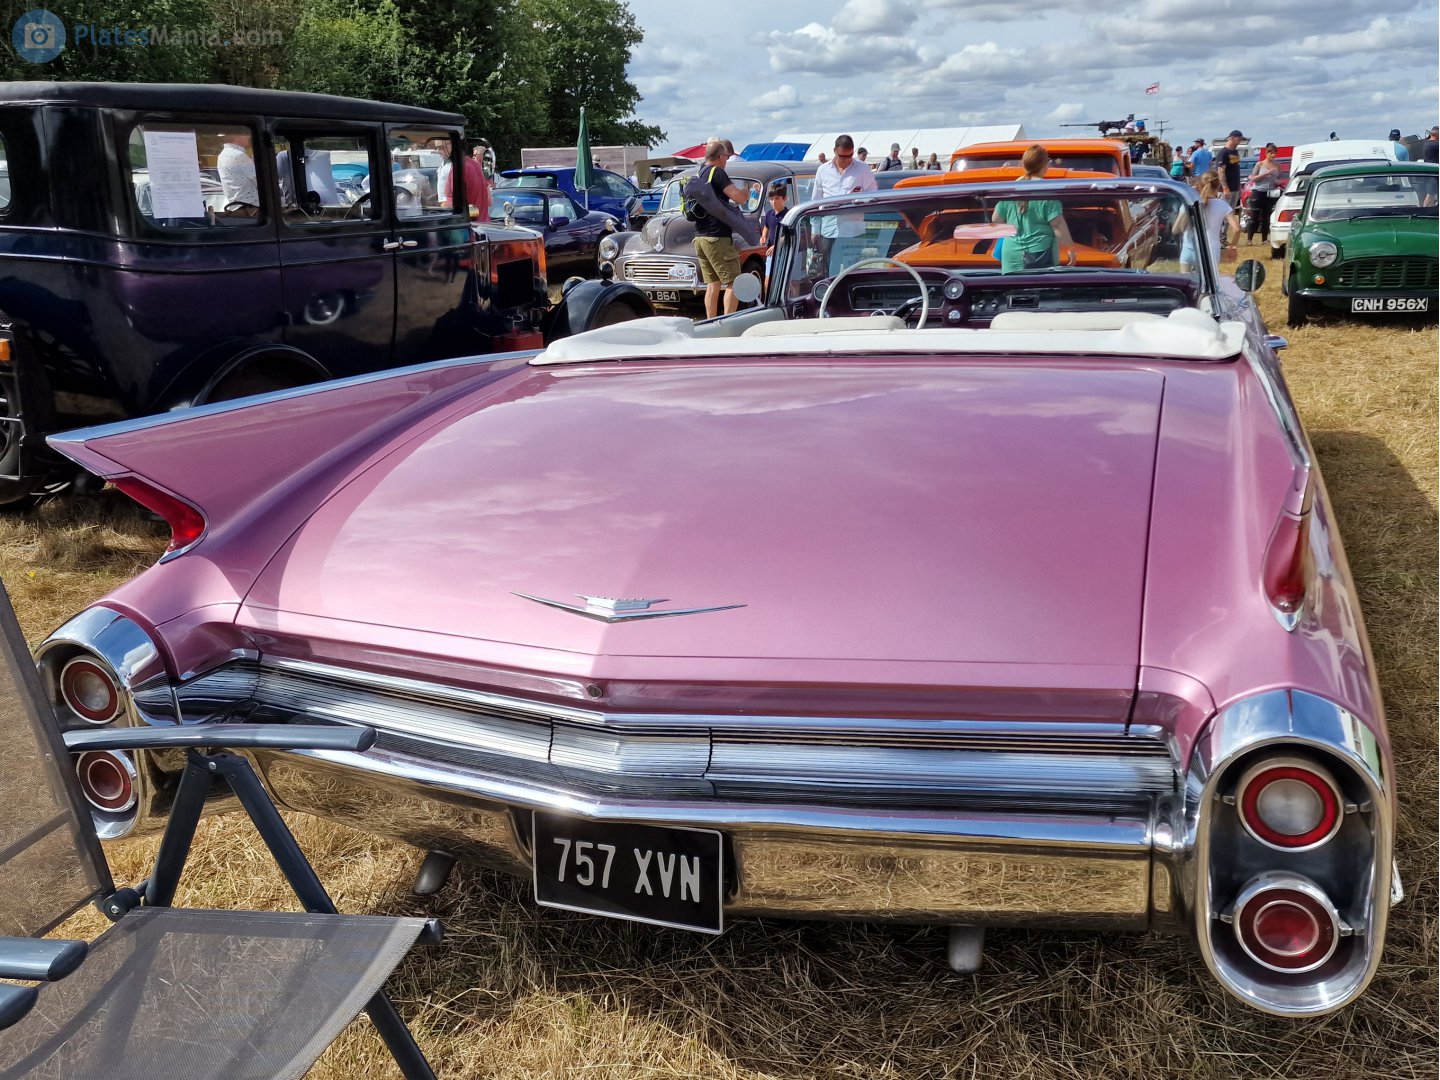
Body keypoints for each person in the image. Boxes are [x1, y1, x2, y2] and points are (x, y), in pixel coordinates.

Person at [990, 145, 1077, 272]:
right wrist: (1071, 248)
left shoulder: (1009, 189)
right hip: (1040, 256)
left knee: (1012, 291)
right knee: (1040, 290)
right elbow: (1057, 225)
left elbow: (996, 220)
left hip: (1011, 255)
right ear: (1045, 165)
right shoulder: (1047, 192)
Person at [691, 140, 751, 319]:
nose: (727, 160)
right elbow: (738, 197)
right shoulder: (717, 173)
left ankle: (711, 322)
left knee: (713, 284)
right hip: (717, 237)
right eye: (726, 156)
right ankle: (728, 321)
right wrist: (747, 193)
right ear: (719, 157)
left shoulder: (700, 172)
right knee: (734, 282)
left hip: (700, 238)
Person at [813, 135, 878, 270]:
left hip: (853, 231)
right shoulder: (823, 170)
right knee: (829, 272)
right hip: (829, 231)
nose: (847, 160)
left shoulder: (863, 169)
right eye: (843, 156)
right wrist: (815, 229)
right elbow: (816, 201)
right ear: (834, 151)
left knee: (852, 272)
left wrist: (858, 200)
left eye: (850, 156)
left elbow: (874, 195)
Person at [1174, 170, 1239, 272]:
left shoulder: (1189, 203)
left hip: (1189, 250)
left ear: (1199, 185)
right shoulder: (1223, 206)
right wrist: (1232, 247)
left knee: (1185, 284)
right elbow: (1237, 229)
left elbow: (1175, 230)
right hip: (1210, 252)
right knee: (1207, 286)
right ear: (1218, 186)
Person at [1245, 143, 1283, 245]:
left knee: (1267, 217)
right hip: (1258, 191)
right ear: (1267, 153)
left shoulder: (1278, 166)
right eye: (1271, 153)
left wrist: (1277, 182)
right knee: (1255, 216)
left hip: (1270, 193)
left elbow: (1280, 179)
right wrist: (1267, 173)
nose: (1273, 155)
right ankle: (1249, 239)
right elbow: (1253, 178)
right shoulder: (1260, 164)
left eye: (1275, 153)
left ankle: (1264, 239)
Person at [217, 130, 259, 209]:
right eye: (246, 134)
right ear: (236, 136)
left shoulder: (222, 155)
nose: (248, 136)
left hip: (236, 207)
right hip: (251, 208)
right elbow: (260, 181)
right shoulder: (239, 155)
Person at [760, 182, 786, 283]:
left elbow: (787, 235)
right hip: (771, 252)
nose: (773, 202)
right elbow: (766, 226)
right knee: (768, 280)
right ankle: (767, 299)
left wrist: (776, 246)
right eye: (771, 199)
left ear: (784, 198)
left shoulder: (787, 215)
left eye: (777, 198)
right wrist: (763, 236)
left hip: (784, 252)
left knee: (784, 281)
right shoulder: (769, 214)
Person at [1214, 130, 1244, 207]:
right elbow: (1221, 171)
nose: (1240, 140)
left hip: (1235, 188)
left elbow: (1236, 170)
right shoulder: (1224, 153)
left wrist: (1239, 187)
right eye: (1239, 138)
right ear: (1232, 138)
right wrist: (1225, 188)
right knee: (1224, 213)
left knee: (1231, 212)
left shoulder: (1235, 152)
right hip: (1226, 190)